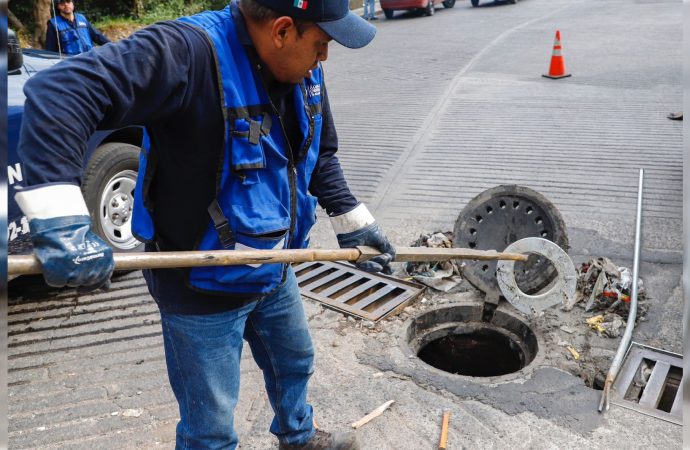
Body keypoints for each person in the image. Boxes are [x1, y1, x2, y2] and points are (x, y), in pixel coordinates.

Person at [15, 0, 395, 449]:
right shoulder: (186, 52)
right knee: (210, 422)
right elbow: (60, 92)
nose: (325, 57)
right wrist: (61, 218)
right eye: (322, 43)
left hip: (275, 265)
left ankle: (299, 438)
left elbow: (317, 152)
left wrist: (351, 218)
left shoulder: (302, 68)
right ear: (282, 30)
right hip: (199, 283)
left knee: (294, 363)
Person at [45, 0, 110, 55]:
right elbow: (50, 50)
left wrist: (114, 46)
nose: (66, 4)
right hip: (71, 64)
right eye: (62, 3)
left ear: (73, 4)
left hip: (90, 58)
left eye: (68, 1)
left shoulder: (82, 18)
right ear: (58, 6)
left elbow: (97, 36)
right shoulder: (53, 24)